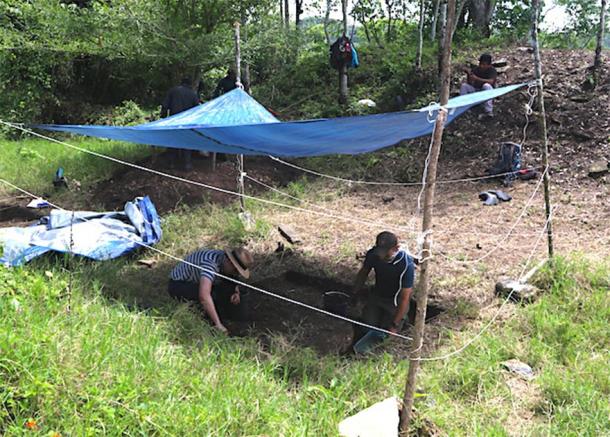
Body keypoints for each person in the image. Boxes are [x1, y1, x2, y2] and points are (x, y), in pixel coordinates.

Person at [349, 231, 415, 351]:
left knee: (387, 336)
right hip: (377, 296)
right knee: (367, 326)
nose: (380, 255)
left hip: (394, 302)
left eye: (385, 252)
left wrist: (394, 325)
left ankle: (402, 323)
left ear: (396, 248)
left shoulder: (406, 264)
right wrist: (355, 293)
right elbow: (363, 273)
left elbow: (405, 298)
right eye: (379, 251)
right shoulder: (373, 255)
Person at [168, 247, 254, 334]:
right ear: (229, 261)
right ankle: (209, 320)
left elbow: (231, 278)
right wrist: (218, 324)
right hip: (179, 285)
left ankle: (221, 314)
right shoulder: (210, 264)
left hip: (200, 280)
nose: (236, 273)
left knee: (226, 287)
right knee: (212, 295)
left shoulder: (223, 259)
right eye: (235, 270)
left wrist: (236, 292)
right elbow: (204, 296)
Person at [160, 77, 200, 170]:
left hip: (174, 120)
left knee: (173, 141)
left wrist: (163, 117)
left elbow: (165, 105)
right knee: (186, 141)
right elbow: (197, 110)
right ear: (189, 84)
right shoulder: (193, 94)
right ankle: (187, 164)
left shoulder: (173, 91)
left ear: (181, 82)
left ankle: (171, 163)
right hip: (187, 122)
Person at [460, 53, 498, 119]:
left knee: (486, 86)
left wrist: (477, 78)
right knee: (464, 86)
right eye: (480, 64)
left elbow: (491, 81)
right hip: (476, 90)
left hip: (487, 92)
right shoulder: (476, 69)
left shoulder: (492, 70)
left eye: (484, 64)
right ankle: (464, 107)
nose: (481, 66)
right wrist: (469, 75)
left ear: (489, 65)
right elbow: (470, 83)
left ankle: (488, 111)